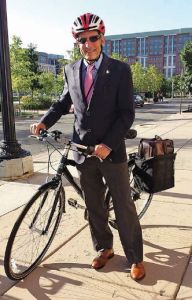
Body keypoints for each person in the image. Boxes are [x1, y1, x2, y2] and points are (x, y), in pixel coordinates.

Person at [30, 12, 145, 281]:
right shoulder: (71, 70)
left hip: (110, 151)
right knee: (94, 205)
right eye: (82, 39)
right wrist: (44, 122)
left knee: (123, 205)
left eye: (93, 38)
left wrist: (108, 143)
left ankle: (135, 258)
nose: (88, 43)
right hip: (82, 150)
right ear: (77, 42)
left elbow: (126, 113)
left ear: (102, 39)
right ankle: (105, 248)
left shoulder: (119, 70)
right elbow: (61, 103)